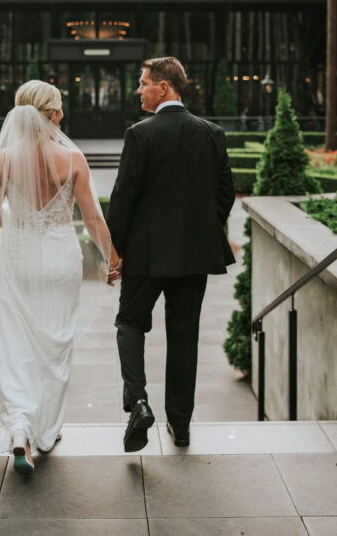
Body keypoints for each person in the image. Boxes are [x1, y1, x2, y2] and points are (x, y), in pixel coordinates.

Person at [0, 80, 120, 476]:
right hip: (61, 261)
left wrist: (22, 218)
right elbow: (93, 219)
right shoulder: (73, 159)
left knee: (16, 345)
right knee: (55, 344)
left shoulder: (4, 160)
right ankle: (47, 433)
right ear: (53, 115)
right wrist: (115, 261)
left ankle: (19, 430)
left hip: (18, 259)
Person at [106, 56, 235, 452]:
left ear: (164, 88)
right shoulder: (212, 133)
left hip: (146, 255)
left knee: (129, 321)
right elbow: (225, 194)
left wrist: (117, 251)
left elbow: (123, 199)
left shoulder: (139, 134)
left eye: (144, 83)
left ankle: (139, 402)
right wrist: (201, 233)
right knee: (184, 337)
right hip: (194, 256)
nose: (139, 89)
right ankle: (180, 426)